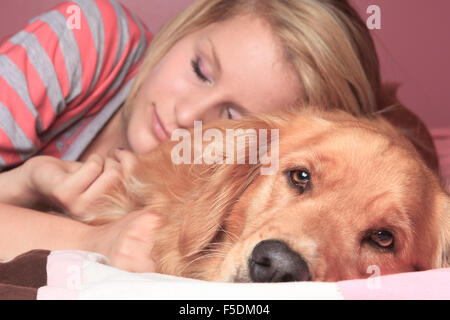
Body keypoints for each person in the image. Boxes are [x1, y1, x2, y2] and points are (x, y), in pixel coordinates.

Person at [0, 0, 439, 272]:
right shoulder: (88, 38)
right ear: (194, 21)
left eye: (232, 117)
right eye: (200, 70)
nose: (186, 116)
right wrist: (30, 185)